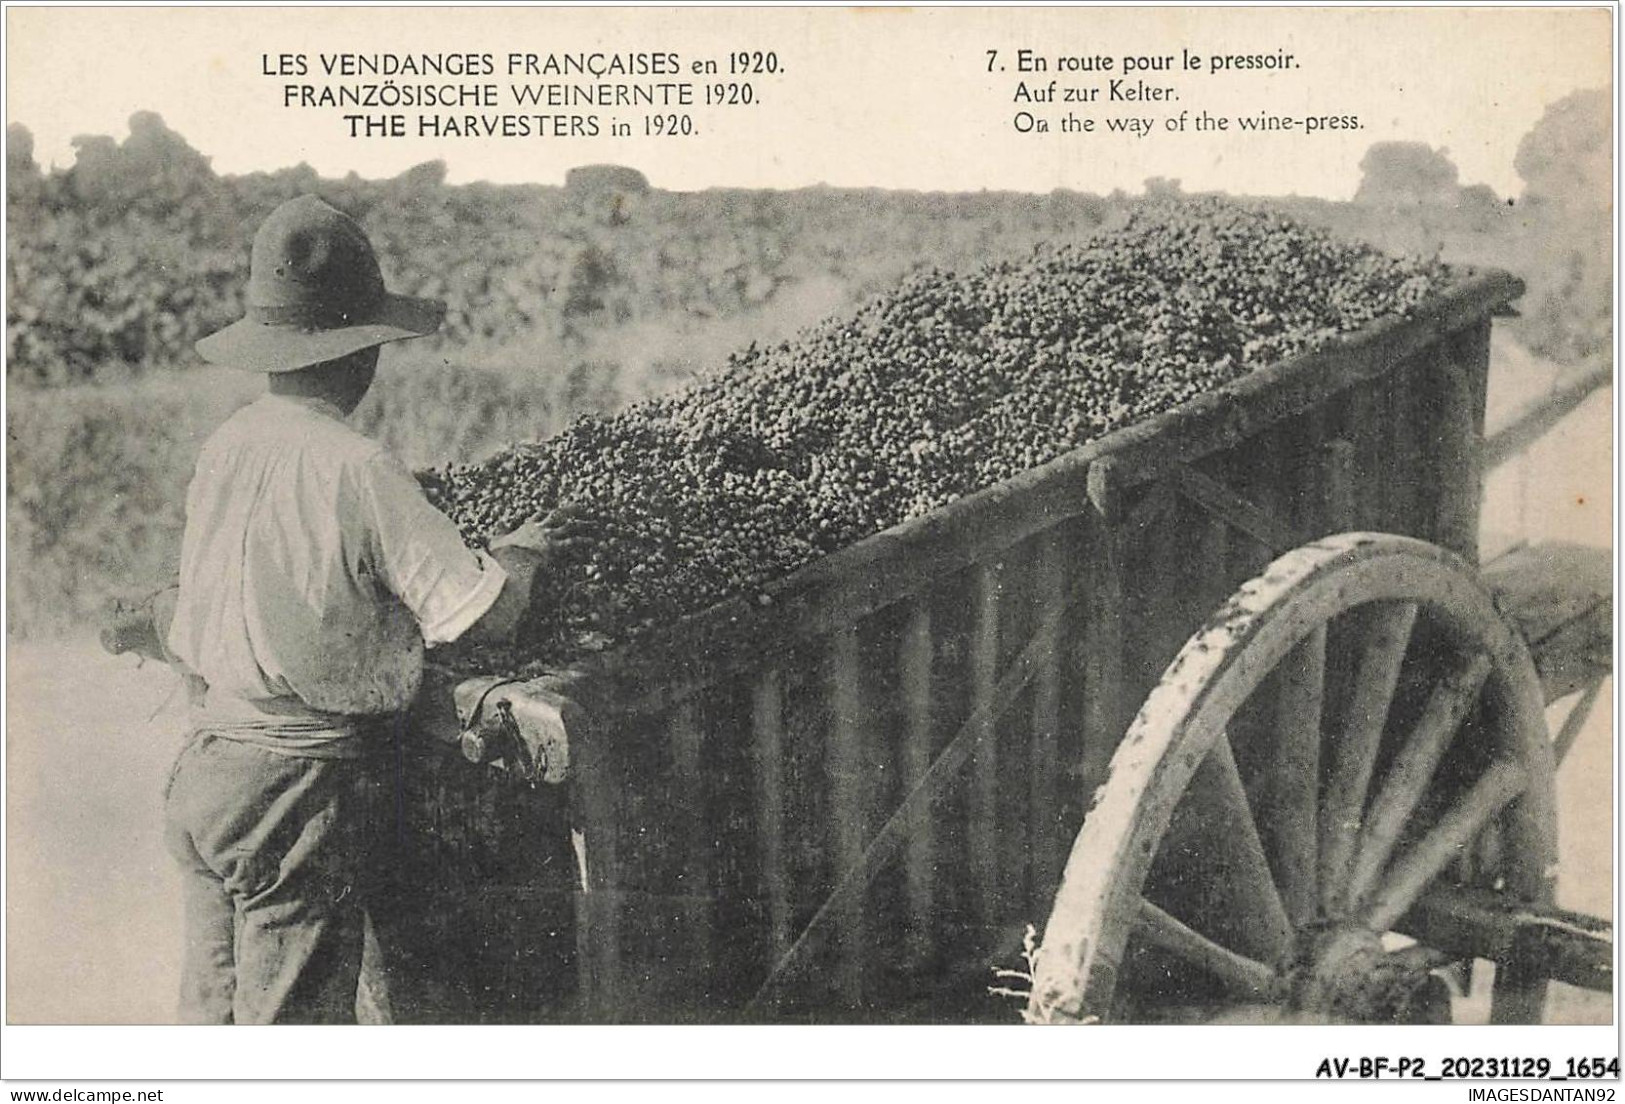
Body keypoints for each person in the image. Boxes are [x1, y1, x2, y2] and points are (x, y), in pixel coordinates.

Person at [159, 195, 588, 1024]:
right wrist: (522, 554)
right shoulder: (355, 465)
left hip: (206, 770)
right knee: (293, 1039)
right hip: (292, 789)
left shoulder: (229, 446)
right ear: (361, 356)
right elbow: (479, 615)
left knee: (210, 1021)